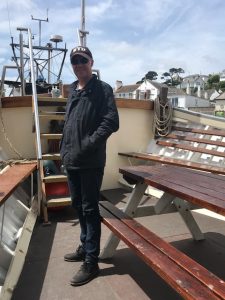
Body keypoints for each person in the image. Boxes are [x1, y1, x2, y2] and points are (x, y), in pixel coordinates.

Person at [60, 46, 119, 286]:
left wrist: (88, 144)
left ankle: (91, 262)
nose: (78, 64)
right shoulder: (73, 90)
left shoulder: (102, 89)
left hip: (90, 161)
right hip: (71, 159)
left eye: (82, 60)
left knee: (90, 208)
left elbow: (111, 122)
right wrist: (64, 149)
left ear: (91, 62)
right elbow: (70, 122)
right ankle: (85, 247)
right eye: (74, 61)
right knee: (77, 204)